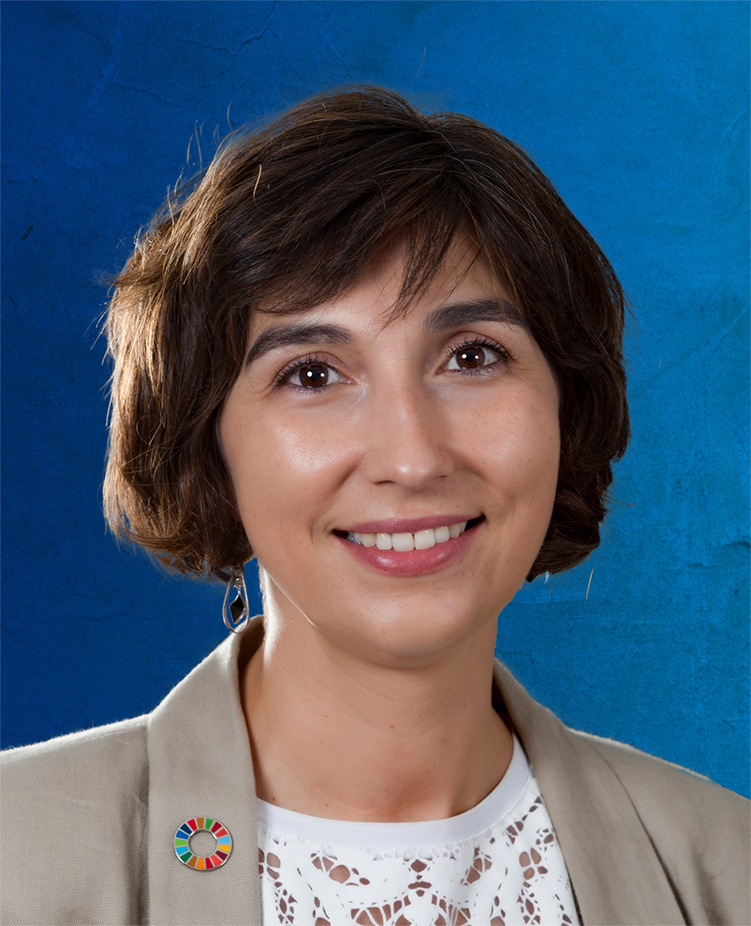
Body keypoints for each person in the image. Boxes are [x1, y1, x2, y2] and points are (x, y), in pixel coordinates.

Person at [1, 86, 748, 926]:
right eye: (312, 373)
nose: (411, 458)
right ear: (205, 440)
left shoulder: (725, 870)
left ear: (564, 408)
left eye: (472, 357)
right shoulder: (15, 859)